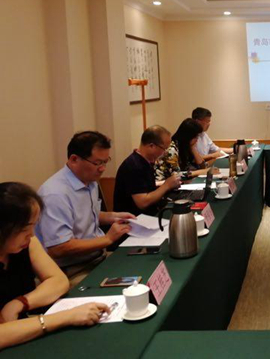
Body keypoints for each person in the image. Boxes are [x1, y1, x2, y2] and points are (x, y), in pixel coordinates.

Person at [1, 182, 110, 351]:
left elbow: (58, 280)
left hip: (24, 332)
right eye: (24, 229)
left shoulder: (28, 243)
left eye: (34, 225)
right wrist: (67, 316)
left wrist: (20, 303)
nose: (32, 234)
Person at [36, 132, 134, 280]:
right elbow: (59, 248)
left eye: (105, 162)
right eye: (97, 163)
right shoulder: (55, 194)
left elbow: (86, 215)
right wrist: (108, 239)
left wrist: (112, 216)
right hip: (72, 269)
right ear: (74, 159)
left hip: (98, 257)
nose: (102, 168)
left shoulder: (89, 181)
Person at [114, 125, 181, 217]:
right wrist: (167, 185)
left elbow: (145, 187)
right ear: (151, 146)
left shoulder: (145, 161)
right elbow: (143, 202)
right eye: (164, 148)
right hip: (134, 219)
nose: (165, 152)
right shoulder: (134, 165)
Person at [154, 118, 218, 181]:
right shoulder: (172, 149)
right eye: (195, 137)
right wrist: (200, 172)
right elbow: (176, 176)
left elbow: (202, 166)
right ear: (188, 137)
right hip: (163, 183)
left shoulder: (186, 146)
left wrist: (193, 148)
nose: (197, 139)